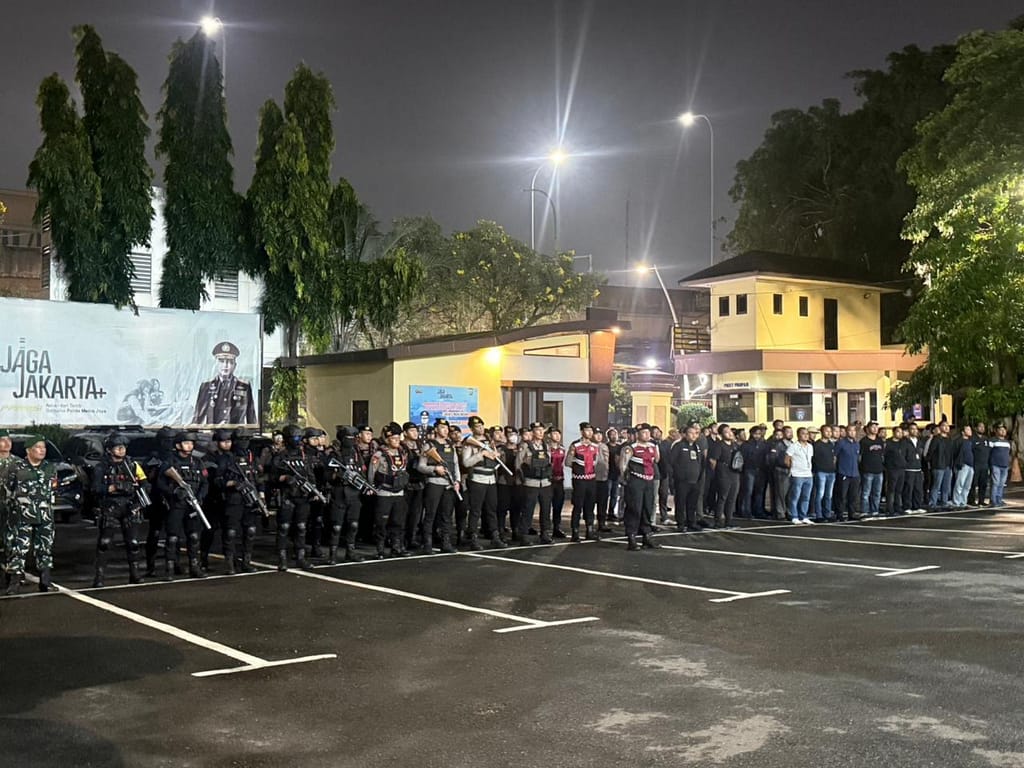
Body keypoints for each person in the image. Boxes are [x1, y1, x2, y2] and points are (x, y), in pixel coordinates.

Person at [91, 433, 149, 586]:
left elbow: (144, 484)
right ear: (109, 450)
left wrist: (138, 501)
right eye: (118, 447)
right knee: (104, 543)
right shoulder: (101, 467)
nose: (121, 450)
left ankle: (135, 574)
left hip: (130, 506)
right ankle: (99, 577)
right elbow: (95, 488)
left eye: (123, 447)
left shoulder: (133, 465)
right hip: (110, 506)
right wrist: (111, 488)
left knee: (133, 543)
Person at [3, 435, 57, 594]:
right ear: (28, 450)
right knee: (18, 548)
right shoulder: (16, 467)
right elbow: (8, 488)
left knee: (45, 547)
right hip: (22, 515)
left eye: (43, 447)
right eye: (38, 447)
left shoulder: (49, 467)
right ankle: (14, 583)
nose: (42, 450)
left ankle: (45, 581)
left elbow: (53, 488)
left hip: (44, 514)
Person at [156, 431, 209, 580]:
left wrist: (200, 497)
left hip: (192, 505)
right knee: (173, 537)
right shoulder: (170, 462)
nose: (189, 446)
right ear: (178, 445)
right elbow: (160, 483)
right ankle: (169, 569)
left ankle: (194, 567)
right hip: (177, 504)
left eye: (191, 443)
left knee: (193, 536)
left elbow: (205, 483)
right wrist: (174, 492)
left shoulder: (197, 462)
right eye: (186, 443)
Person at [214, 429, 263, 573]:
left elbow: (258, 478)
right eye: (242, 439)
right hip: (233, 499)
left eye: (247, 439)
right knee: (231, 532)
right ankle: (230, 562)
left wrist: (261, 495)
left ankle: (246, 561)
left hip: (251, 498)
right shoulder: (226, 459)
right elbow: (217, 480)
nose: (244, 442)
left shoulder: (251, 458)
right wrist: (233, 484)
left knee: (250, 530)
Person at [270, 425, 318, 571]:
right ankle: (282, 559)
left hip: (302, 496)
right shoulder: (280, 457)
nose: (298, 440)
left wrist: (313, 490)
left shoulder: (304, 456)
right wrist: (285, 478)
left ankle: (301, 558)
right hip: (287, 496)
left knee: (301, 527)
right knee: (284, 527)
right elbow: (272, 478)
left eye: (299, 438)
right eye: (295, 438)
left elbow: (310, 475)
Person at [461, 415, 506, 549]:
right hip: (477, 479)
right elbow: (466, 462)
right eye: (476, 426)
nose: (480, 428)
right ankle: (473, 537)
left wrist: (496, 455)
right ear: (471, 428)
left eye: (481, 426)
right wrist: (481, 454)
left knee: (491, 510)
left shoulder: (489, 441)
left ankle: (495, 536)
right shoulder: (470, 443)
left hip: (491, 479)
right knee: (475, 511)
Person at [369, 423, 413, 558]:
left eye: (398, 438)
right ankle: (380, 549)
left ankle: (397, 547)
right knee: (381, 522)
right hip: (384, 492)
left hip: (399, 492)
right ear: (387, 440)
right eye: (393, 438)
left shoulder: (402, 453)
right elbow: (371, 473)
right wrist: (372, 487)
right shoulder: (379, 455)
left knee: (398, 522)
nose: (396, 441)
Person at [418, 418, 461, 554]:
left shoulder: (450, 445)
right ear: (436, 429)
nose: (445, 430)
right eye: (442, 428)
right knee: (430, 514)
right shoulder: (429, 446)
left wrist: (457, 481)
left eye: (447, 428)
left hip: (449, 484)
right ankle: (427, 544)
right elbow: (421, 466)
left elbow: (455, 464)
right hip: (434, 483)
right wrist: (435, 469)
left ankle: (446, 543)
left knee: (446, 515)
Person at [325, 426, 366, 563]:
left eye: (353, 438)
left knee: (353, 524)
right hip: (339, 493)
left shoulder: (357, 455)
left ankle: (350, 551)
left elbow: (362, 472)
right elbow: (327, 475)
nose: (352, 440)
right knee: (336, 526)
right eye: (349, 438)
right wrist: (339, 475)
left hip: (354, 494)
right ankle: (333, 554)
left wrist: (360, 480)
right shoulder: (335, 455)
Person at [192, 341, 256, 425]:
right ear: (216, 364)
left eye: (229, 362)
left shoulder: (244, 387)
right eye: (222, 361)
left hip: (236, 433)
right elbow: (197, 420)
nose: (225, 365)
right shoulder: (206, 387)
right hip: (213, 433)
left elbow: (251, 420)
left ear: (235, 365)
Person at [618, 423, 660, 550]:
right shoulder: (631, 448)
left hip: (649, 481)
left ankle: (647, 536)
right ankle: (631, 537)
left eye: (648, 432)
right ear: (637, 434)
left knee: (648, 508)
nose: (646, 435)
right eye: (643, 433)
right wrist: (625, 478)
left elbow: (656, 460)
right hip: (635, 480)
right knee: (634, 509)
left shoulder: (652, 447)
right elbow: (623, 465)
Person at [518, 421, 555, 544]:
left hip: (545, 482)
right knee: (528, 510)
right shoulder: (525, 446)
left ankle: (545, 533)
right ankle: (524, 534)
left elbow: (549, 462)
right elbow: (518, 463)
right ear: (532, 432)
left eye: (542, 430)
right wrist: (521, 479)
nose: (540, 432)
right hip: (531, 482)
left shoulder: (546, 446)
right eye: (538, 430)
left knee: (546, 509)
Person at [568, 421, 601, 541]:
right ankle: (575, 532)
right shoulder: (575, 445)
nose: (590, 433)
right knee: (578, 506)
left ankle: (590, 530)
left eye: (591, 430)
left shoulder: (595, 446)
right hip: (579, 480)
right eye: (587, 430)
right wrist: (578, 468)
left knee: (590, 505)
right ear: (582, 432)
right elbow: (568, 462)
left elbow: (596, 462)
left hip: (591, 479)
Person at [670, 423, 705, 532]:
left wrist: (699, 476)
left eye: (696, 433)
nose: (694, 435)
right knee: (681, 502)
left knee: (692, 503)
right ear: (685, 434)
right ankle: (681, 523)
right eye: (691, 433)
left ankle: (691, 522)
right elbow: (672, 462)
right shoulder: (679, 446)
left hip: (695, 481)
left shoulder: (697, 447)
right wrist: (677, 476)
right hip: (682, 481)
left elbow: (702, 462)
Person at [709, 424, 743, 528]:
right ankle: (718, 521)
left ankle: (729, 520)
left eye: (730, 431)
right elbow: (712, 460)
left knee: (732, 498)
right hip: (723, 473)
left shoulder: (734, 445)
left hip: (734, 473)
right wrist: (717, 472)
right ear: (721, 434)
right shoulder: (719, 445)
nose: (729, 433)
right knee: (722, 497)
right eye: (726, 432)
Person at [738, 425, 769, 519]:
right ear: (751, 434)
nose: (757, 436)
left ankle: (758, 511)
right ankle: (746, 511)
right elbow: (742, 458)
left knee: (759, 492)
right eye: (755, 434)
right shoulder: (746, 445)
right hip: (749, 470)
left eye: (759, 434)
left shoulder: (764, 444)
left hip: (761, 471)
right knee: (748, 491)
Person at [785, 427, 815, 524]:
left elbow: (810, 459)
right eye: (803, 433)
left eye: (807, 434)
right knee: (795, 496)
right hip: (797, 474)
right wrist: (793, 468)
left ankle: (803, 516)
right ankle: (794, 516)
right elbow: (787, 459)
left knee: (806, 497)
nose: (806, 435)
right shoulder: (793, 446)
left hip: (808, 474)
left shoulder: (810, 446)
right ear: (798, 435)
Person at [834, 426, 861, 521]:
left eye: (854, 430)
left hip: (855, 474)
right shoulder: (841, 443)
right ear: (846, 432)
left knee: (853, 495)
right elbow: (834, 457)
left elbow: (858, 458)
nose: (852, 432)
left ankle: (852, 513)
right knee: (842, 495)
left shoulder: (857, 444)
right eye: (850, 430)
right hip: (843, 473)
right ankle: (839, 514)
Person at [859, 421, 885, 518]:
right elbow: (860, 456)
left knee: (877, 493)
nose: (875, 429)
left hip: (879, 470)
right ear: (868, 428)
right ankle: (865, 511)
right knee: (866, 492)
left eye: (876, 427)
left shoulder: (879, 440)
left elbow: (882, 455)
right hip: (868, 471)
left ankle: (875, 510)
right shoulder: (864, 441)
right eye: (873, 427)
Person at [926, 422, 955, 508]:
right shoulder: (936, 439)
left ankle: (944, 502)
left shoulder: (950, 439)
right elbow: (931, 452)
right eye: (944, 426)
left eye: (947, 426)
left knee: (946, 486)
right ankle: (933, 503)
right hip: (938, 465)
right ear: (940, 427)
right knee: (936, 485)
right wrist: (930, 462)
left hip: (948, 465)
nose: (946, 427)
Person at [811, 426, 837, 521]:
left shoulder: (831, 444)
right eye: (827, 431)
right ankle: (819, 515)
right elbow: (813, 458)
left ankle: (827, 514)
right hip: (821, 471)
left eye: (830, 431)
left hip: (831, 472)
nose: (829, 433)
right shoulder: (817, 444)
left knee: (828, 495)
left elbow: (834, 457)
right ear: (822, 432)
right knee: (820, 494)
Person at [0, 429, 17, 564]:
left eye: (9, 440)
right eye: (3, 440)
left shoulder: (18, 463)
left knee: (11, 540)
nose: (7, 443)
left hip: (11, 509)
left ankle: (11, 567)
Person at [901, 423, 926, 513]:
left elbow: (921, 454)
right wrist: (905, 465)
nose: (914, 431)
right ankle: (907, 507)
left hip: (918, 468)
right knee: (908, 489)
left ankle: (917, 506)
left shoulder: (919, 441)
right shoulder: (905, 442)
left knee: (918, 489)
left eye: (916, 429)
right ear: (908, 430)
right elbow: (902, 455)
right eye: (912, 429)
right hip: (909, 469)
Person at [883, 424, 907, 517]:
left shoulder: (903, 442)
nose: (900, 434)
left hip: (901, 469)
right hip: (892, 469)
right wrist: (888, 466)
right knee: (891, 490)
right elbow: (884, 456)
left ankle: (898, 507)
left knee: (899, 490)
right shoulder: (888, 443)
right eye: (898, 432)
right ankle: (890, 508)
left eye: (901, 432)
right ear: (893, 432)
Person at [547, 428, 567, 538]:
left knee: (558, 505)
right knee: (546, 506)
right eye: (554, 433)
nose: (557, 436)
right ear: (549, 435)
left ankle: (556, 528)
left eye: (559, 433)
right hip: (549, 480)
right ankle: (545, 529)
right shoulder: (546, 448)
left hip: (559, 480)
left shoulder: (562, 448)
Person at [951, 424, 975, 508]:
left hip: (970, 465)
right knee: (959, 484)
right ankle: (956, 502)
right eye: (967, 429)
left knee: (967, 486)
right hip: (962, 465)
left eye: (970, 429)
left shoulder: (970, 441)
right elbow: (954, 453)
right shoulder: (958, 441)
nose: (970, 431)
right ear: (963, 432)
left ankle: (963, 502)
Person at [988, 425, 1011, 507]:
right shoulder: (992, 440)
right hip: (995, 465)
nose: (1003, 431)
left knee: (1001, 484)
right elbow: (988, 452)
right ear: (996, 431)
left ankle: (999, 500)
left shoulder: (1007, 442)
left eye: (1004, 430)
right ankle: (993, 500)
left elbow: (1008, 453)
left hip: (1005, 466)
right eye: (1001, 430)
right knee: (995, 483)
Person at [969, 422, 991, 506]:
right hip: (975, 464)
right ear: (976, 428)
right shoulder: (972, 438)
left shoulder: (986, 439)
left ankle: (981, 500)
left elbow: (988, 451)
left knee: (983, 484)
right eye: (980, 427)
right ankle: (971, 500)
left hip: (984, 465)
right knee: (973, 483)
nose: (982, 428)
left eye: (983, 427)